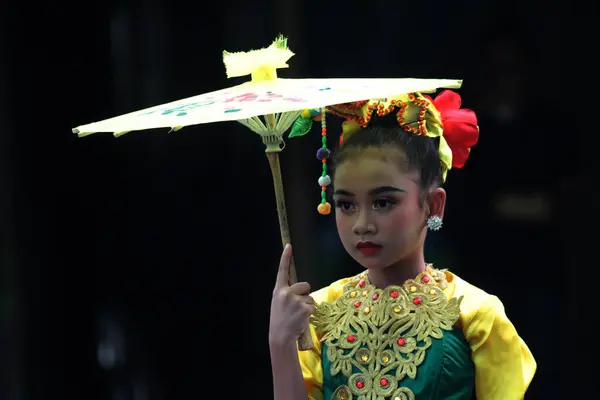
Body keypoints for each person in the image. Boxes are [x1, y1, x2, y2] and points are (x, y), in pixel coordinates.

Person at [268, 90, 536, 400]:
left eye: (383, 202)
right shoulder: (318, 313)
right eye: (346, 205)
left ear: (433, 205)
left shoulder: (475, 315)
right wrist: (281, 343)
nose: (362, 224)